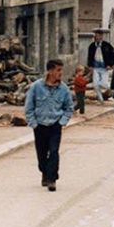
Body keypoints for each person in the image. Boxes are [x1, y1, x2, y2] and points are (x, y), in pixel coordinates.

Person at [24, 59, 74, 192]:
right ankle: (45, 173)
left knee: (53, 152)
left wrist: (62, 122)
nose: (60, 73)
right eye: (58, 70)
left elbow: (69, 107)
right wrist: (33, 123)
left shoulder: (63, 89)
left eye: (61, 70)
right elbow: (29, 106)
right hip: (40, 125)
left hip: (55, 126)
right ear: (50, 71)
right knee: (41, 155)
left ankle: (52, 179)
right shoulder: (36, 87)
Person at [87, 30, 114, 104]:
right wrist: (90, 65)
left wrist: (110, 64)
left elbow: (113, 55)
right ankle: (100, 99)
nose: (97, 37)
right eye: (96, 36)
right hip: (96, 67)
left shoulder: (107, 45)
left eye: (98, 36)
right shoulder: (92, 46)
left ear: (101, 36)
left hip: (104, 67)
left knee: (104, 84)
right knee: (95, 84)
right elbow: (89, 56)